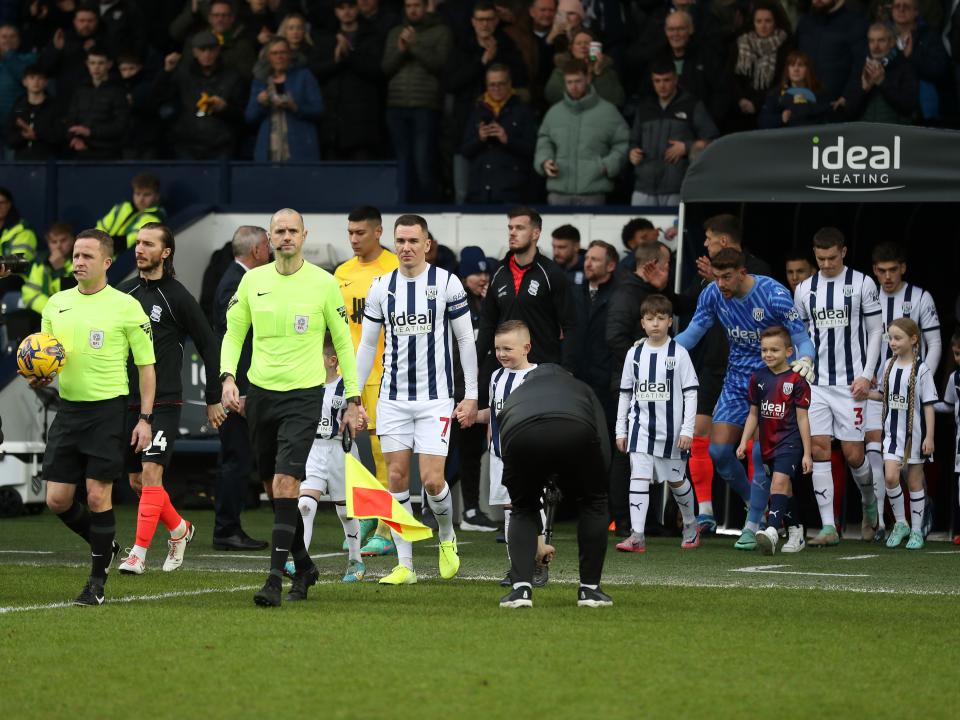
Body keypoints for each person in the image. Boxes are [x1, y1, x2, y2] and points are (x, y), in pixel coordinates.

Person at [220, 208, 361, 607]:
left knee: (286, 485)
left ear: (304, 235)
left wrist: (353, 399)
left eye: (292, 231)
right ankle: (305, 563)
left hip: (303, 396)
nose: (285, 237)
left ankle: (273, 580)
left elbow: (344, 344)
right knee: (273, 488)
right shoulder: (252, 281)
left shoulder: (323, 283)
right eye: (279, 231)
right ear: (270, 236)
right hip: (260, 395)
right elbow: (234, 333)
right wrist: (228, 377)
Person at [34, 228, 157, 605]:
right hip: (69, 410)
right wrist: (37, 374)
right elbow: (45, 359)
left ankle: (96, 584)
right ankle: (106, 544)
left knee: (97, 493)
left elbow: (147, 367)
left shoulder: (125, 306)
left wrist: (145, 418)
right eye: (75, 255)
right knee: (57, 499)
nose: (78, 262)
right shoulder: (55, 304)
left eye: (87, 256)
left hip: (108, 410)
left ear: (106, 262)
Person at [355, 214, 479, 584]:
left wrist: (470, 395)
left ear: (427, 245)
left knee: (432, 481)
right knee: (395, 478)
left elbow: (465, 341)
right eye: (400, 241)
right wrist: (353, 397)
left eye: (413, 241)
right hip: (392, 399)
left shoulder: (447, 283)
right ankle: (405, 565)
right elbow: (367, 345)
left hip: (435, 399)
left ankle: (445, 536)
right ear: (394, 244)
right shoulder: (381, 287)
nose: (406, 247)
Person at [675, 248, 815, 550]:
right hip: (737, 381)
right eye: (717, 277)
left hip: (773, 382)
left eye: (727, 277)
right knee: (719, 451)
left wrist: (806, 359)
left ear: (742, 272)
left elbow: (801, 337)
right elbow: (692, 333)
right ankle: (755, 501)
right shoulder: (712, 294)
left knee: (758, 455)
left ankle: (752, 524)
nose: (721, 284)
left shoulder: (773, 294)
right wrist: (658, 350)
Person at [115, 224, 226, 574]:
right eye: (137, 243)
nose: (139, 249)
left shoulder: (177, 297)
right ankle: (179, 529)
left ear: (166, 252)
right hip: (126, 401)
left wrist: (212, 397)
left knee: (150, 474)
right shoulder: (124, 293)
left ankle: (138, 554)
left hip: (163, 401)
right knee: (137, 481)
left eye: (148, 244)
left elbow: (210, 346)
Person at [681, 215, 772, 536]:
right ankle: (706, 511)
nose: (704, 243)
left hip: (758, 374)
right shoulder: (709, 282)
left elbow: (779, 327)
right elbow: (692, 315)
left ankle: (758, 516)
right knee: (703, 438)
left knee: (759, 447)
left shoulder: (761, 276)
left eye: (708, 237)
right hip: (715, 365)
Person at [496, 363, 612, 608]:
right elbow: (601, 438)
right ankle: (589, 591)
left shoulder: (516, 393)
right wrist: (597, 488)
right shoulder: (581, 388)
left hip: (521, 435)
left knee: (523, 508)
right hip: (575, 428)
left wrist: (522, 490)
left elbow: (504, 443)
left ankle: (521, 592)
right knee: (594, 502)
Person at [794, 227, 882, 547]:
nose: (827, 263)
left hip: (851, 383)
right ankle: (829, 527)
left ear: (843, 252)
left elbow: (875, 332)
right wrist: (802, 366)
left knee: (853, 453)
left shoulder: (862, 284)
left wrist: (866, 374)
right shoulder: (804, 289)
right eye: (821, 259)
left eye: (832, 257)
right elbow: (801, 333)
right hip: (817, 383)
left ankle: (869, 501)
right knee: (818, 448)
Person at [334, 206, 400, 556]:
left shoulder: (394, 269)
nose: (354, 239)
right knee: (351, 454)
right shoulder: (341, 273)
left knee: (382, 453)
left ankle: (388, 531)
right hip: (349, 378)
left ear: (378, 232)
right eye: (350, 233)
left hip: (385, 376)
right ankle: (370, 514)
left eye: (361, 232)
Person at [864, 241, 940, 537]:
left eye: (893, 269)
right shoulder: (868, 297)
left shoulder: (920, 297)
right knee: (878, 456)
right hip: (879, 388)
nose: (887, 276)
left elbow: (934, 344)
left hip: (910, 393)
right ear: (874, 271)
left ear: (903, 268)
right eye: (881, 271)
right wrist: (866, 375)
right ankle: (884, 522)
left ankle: (921, 511)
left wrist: (919, 383)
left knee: (911, 465)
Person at [614, 294, 700, 554]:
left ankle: (691, 525)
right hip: (640, 429)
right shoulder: (635, 353)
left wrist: (687, 429)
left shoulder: (679, 353)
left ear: (670, 322)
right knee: (638, 478)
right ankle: (637, 535)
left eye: (660, 318)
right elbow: (626, 393)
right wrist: (621, 429)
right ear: (642, 322)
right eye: (650, 319)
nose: (655, 324)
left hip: (671, 432)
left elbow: (691, 393)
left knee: (677, 482)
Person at [212, 226, 271, 552]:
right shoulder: (235, 284)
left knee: (240, 459)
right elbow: (230, 340)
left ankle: (229, 528)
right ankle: (226, 530)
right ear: (259, 249)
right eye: (268, 246)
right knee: (235, 459)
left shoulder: (236, 279)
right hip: (237, 392)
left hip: (243, 387)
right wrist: (236, 387)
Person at [736, 326, 813, 555]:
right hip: (767, 444)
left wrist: (807, 453)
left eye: (774, 350)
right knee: (784, 490)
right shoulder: (758, 378)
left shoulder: (797, 381)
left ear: (789, 351)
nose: (768, 355)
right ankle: (796, 531)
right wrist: (743, 442)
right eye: (764, 350)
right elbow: (753, 414)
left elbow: (803, 419)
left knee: (778, 485)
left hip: (790, 443)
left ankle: (771, 530)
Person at [476, 207, 578, 372]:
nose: (512, 233)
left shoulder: (551, 273)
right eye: (510, 228)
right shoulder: (498, 272)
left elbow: (571, 326)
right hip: (505, 368)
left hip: (542, 368)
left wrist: (566, 370)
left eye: (520, 228)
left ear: (535, 234)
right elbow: (488, 322)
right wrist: (475, 364)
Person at [298, 335, 366, 582]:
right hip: (313, 450)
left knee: (347, 512)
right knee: (304, 506)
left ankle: (355, 561)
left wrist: (359, 417)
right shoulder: (307, 386)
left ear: (331, 360)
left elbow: (359, 413)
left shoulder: (347, 389)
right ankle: (301, 561)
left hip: (340, 451)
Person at [475, 320, 538, 583]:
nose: (501, 354)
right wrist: (473, 416)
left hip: (530, 456)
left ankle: (536, 562)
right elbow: (495, 412)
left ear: (526, 348)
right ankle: (518, 568)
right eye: (498, 348)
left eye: (507, 349)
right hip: (501, 454)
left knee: (531, 508)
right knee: (510, 509)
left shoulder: (538, 376)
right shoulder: (496, 376)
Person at [870, 318, 936, 550]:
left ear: (914, 339)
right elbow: (883, 395)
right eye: (890, 338)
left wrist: (929, 437)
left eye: (898, 338)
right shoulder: (888, 364)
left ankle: (917, 530)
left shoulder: (922, 369)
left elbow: (928, 405)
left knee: (915, 481)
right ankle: (901, 523)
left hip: (914, 436)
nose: (892, 342)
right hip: (891, 434)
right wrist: (865, 393)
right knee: (890, 477)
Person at [381, 0, 452, 203]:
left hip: (426, 106)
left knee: (424, 161)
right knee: (402, 161)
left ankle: (428, 208)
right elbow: (386, 67)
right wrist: (401, 50)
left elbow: (441, 64)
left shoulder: (441, 31)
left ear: (426, 6)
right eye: (409, 5)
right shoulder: (396, 32)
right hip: (396, 105)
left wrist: (414, 45)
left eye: (417, 5)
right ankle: (402, 206)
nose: (413, 9)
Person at [448, 247, 498, 532]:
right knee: (449, 452)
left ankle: (470, 509)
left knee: (470, 452)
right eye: (476, 273)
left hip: (480, 392)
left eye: (485, 272)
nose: (482, 278)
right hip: (456, 390)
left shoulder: (487, 304)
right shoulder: (456, 304)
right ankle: (432, 508)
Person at [534, 58, 629, 206]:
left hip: (594, 192)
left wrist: (607, 165)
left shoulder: (608, 111)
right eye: (569, 82)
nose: (573, 87)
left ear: (588, 78)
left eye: (578, 81)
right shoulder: (554, 112)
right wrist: (545, 161)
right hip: (558, 192)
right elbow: (544, 141)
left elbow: (623, 143)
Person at [629, 59, 717, 207]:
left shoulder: (692, 105)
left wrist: (687, 147)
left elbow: (712, 140)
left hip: (677, 188)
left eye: (666, 80)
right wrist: (632, 153)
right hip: (643, 188)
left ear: (676, 79)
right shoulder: (644, 108)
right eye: (657, 81)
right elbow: (633, 141)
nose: (661, 85)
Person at [313, 0, 387, 161]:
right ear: (335, 11)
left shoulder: (372, 36)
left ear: (357, 8)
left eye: (350, 7)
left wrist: (349, 56)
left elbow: (378, 70)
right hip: (333, 123)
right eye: (341, 8)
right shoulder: (326, 38)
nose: (346, 12)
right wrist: (337, 61)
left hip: (363, 123)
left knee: (361, 177)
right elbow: (315, 71)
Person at [157, 31, 246, 160]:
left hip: (221, 145)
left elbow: (242, 114)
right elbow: (159, 97)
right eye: (202, 50)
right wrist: (166, 72)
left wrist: (225, 109)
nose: (207, 54)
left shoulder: (233, 77)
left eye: (211, 50)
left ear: (218, 51)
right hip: (187, 144)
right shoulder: (182, 75)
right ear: (194, 52)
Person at [461, 64, 537, 205]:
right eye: (492, 85)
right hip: (479, 193)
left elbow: (532, 149)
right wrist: (480, 139)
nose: (496, 89)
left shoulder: (523, 111)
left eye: (501, 84)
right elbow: (465, 150)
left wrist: (507, 139)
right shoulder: (476, 110)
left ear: (510, 84)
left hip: (512, 193)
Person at [245, 37, 324, 162]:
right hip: (269, 149)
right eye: (274, 53)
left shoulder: (304, 76)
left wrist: (295, 107)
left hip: (300, 147)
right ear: (268, 57)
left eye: (283, 52)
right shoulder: (260, 81)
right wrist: (260, 103)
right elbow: (249, 117)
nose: (279, 57)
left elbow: (319, 110)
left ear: (290, 54)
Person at [730, 0, 791, 131]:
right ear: (753, 23)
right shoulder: (741, 43)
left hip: (770, 107)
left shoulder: (785, 46)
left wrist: (756, 104)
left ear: (775, 22)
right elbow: (731, 76)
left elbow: (783, 81)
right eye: (759, 21)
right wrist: (740, 100)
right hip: (740, 108)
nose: (763, 26)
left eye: (768, 21)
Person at [844, 22, 919, 123]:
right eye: (871, 41)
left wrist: (882, 82)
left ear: (892, 42)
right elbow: (849, 112)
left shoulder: (905, 67)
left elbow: (908, 108)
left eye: (881, 40)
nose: (875, 46)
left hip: (895, 135)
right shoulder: (861, 66)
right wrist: (864, 89)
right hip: (865, 134)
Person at [796, 0, 867, 104]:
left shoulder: (855, 23)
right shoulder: (804, 23)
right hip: (803, 104)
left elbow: (860, 67)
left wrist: (847, 97)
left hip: (837, 107)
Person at [64, 48, 128, 160]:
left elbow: (121, 126)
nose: (96, 67)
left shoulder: (118, 92)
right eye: (92, 63)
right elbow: (71, 119)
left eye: (101, 63)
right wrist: (74, 138)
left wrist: (90, 132)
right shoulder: (80, 91)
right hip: (81, 152)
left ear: (109, 64)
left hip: (108, 153)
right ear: (87, 64)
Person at [543, 28, 625, 107]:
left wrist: (599, 73)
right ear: (571, 48)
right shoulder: (561, 70)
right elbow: (552, 95)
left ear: (595, 48)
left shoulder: (606, 70)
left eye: (587, 43)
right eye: (578, 43)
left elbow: (616, 100)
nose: (583, 46)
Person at [95, 173, 165, 255]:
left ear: (157, 196)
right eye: (137, 194)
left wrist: (101, 244)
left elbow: (131, 242)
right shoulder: (121, 207)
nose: (141, 199)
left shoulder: (156, 218)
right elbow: (99, 228)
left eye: (146, 195)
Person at [758, 50, 832, 128]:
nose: (796, 69)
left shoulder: (820, 93)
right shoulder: (776, 94)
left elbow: (828, 119)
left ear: (808, 69)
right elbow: (762, 121)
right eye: (792, 65)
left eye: (800, 65)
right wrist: (781, 118)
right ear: (787, 69)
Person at [20, 223, 75, 320]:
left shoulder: (80, 263)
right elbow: (29, 295)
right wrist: (52, 311)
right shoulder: (40, 263)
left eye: (63, 241)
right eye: (54, 242)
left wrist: (59, 270)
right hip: (48, 314)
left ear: (72, 240)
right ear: (48, 244)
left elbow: (71, 301)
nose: (58, 246)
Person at [6, 64, 60, 161]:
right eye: (32, 78)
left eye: (40, 78)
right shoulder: (18, 107)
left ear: (46, 82)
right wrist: (22, 136)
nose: (36, 82)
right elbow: (9, 138)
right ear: (24, 82)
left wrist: (37, 134)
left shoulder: (55, 107)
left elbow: (59, 137)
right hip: (21, 163)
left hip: (47, 164)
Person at [936, 331, 960, 545]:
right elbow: (948, 405)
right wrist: (927, 402)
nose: (958, 359)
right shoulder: (955, 377)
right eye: (956, 354)